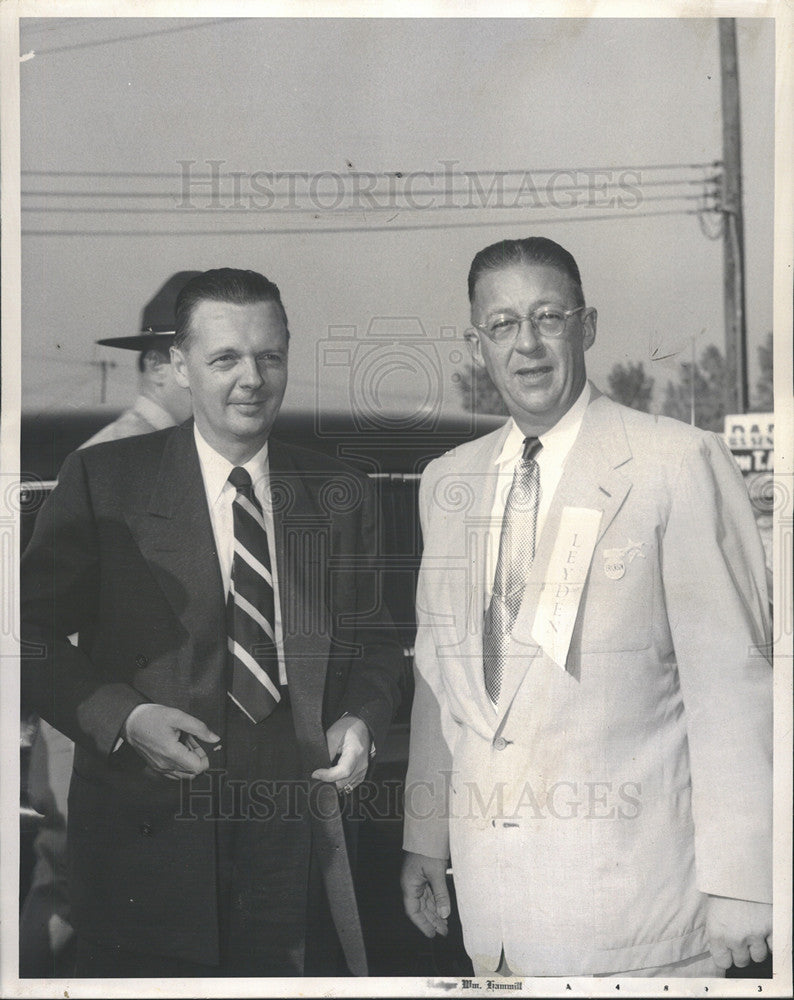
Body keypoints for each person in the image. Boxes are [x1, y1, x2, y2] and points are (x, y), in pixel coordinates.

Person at [401, 237, 772, 978]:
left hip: (643, 920)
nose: (528, 345)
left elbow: (732, 687)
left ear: (587, 326)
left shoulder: (674, 462)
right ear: (478, 342)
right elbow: (440, 679)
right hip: (495, 920)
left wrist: (744, 881)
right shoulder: (448, 480)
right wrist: (423, 837)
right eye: (503, 325)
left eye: (548, 317)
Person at [21, 267, 403, 977]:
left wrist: (362, 718)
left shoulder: (337, 491)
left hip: (296, 837)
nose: (251, 378)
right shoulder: (105, 480)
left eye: (269, 356)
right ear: (178, 365)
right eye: (224, 358)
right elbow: (26, 635)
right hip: (146, 838)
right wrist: (125, 719)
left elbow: (376, 644)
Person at [19, 269, 198, 978]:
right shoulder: (107, 462)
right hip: (87, 713)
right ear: (157, 367)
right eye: (200, 362)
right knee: (72, 878)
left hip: (125, 709)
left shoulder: (171, 458)